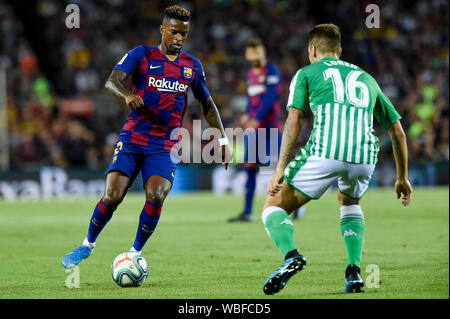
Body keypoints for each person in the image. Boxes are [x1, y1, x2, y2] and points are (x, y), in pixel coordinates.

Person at [62, 5, 232, 269]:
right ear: (162, 29)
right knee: (113, 195)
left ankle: (134, 253)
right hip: (133, 138)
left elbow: (208, 104)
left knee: (157, 194)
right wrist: (127, 94)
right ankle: (87, 244)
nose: (178, 38)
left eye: (184, 35)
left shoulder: (192, 67)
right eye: (174, 32)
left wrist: (222, 140)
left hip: (164, 144)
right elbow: (112, 81)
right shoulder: (142, 55)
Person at [260, 24, 412, 295]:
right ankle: (354, 271)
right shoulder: (367, 78)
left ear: (312, 50)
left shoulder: (306, 73)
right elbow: (397, 130)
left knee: (273, 206)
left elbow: (294, 119)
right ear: (339, 51)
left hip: (326, 151)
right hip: (365, 155)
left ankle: (291, 255)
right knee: (350, 200)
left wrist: (280, 167)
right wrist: (402, 177)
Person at [228, 38, 306, 222]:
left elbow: (271, 97)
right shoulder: (250, 75)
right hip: (254, 131)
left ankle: (297, 205)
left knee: (280, 170)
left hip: (270, 129)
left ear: (262, 52)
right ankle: (247, 211)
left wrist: (256, 118)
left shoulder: (271, 71)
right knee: (250, 169)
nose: (254, 55)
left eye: (257, 51)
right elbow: (251, 99)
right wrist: (247, 115)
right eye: (251, 52)